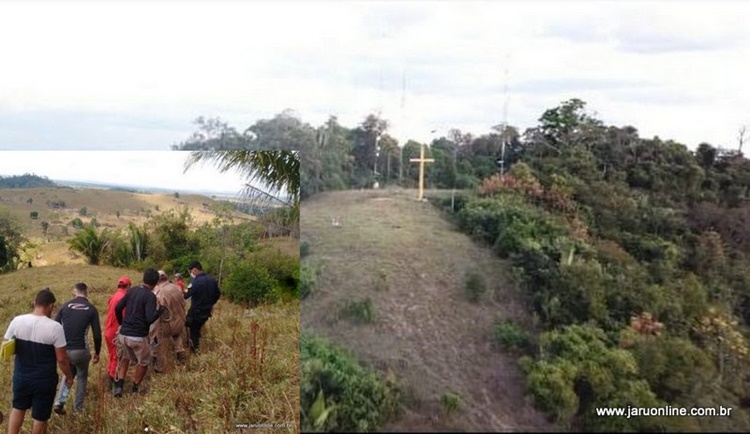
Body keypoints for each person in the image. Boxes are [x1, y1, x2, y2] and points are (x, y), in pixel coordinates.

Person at [3, 288, 74, 434]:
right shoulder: (55, 328)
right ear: (51, 306)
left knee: (18, 408)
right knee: (40, 417)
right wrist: (68, 375)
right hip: (44, 380)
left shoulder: (17, 321)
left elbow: (5, 346)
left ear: (35, 303)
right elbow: (62, 359)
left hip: (21, 376)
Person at [51, 283, 102, 415]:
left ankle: (59, 402)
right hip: (81, 350)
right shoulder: (91, 309)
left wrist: (57, 348)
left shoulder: (64, 307)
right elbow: (97, 334)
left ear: (74, 292)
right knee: (82, 377)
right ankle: (78, 408)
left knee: (68, 374)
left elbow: (55, 326)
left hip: (65, 349)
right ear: (87, 293)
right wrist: (97, 352)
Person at [113, 269, 165, 397]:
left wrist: (122, 323)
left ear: (143, 278)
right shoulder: (150, 296)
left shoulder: (132, 291)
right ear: (156, 282)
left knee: (125, 358)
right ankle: (135, 388)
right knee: (143, 362)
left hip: (124, 334)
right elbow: (149, 318)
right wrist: (160, 310)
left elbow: (118, 307)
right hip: (138, 336)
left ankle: (119, 386)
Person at [149, 270, 187, 372]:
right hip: (180, 320)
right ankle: (180, 355)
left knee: (159, 344)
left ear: (157, 280)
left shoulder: (159, 292)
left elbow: (157, 309)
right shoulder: (177, 287)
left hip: (167, 323)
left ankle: (159, 367)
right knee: (177, 337)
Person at [184, 261, 221, 353]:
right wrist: (211, 303)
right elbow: (218, 294)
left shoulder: (196, 282)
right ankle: (196, 346)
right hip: (207, 311)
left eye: (191, 271)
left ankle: (193, 350)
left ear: (195, 269)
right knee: (198, 329)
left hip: (196, 311)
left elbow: (186, 295)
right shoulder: (212, 280)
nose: (191, 274)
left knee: (192, 329)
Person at [104, 276, 131, 389]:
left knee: (112, 356)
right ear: (128, 286)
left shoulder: (113, 296)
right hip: (116, 331)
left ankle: (109, 378)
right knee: (117, 356)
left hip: (108, 330)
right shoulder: (125, 298)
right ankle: (113, 382)